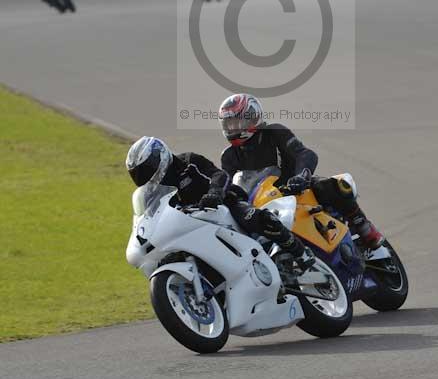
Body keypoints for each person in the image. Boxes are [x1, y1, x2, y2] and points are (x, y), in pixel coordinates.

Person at [201, 93, 385, 250]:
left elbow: (304, 153)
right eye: (228, 124)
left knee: (335, 185)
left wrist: (302, 176)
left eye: (236, 122)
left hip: (296, 189)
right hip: (264, 205)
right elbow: (232, 185)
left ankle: (364, 227)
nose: (232, 128)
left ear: (252, 117)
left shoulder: (274, 132)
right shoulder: (228, 156)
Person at [125, 136, 314, 276]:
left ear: (160, 157)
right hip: (191, 223)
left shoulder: (187, 162)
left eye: (146, 169)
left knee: (254, 218)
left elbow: (219, 175)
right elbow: (151, 215)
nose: (144, 177)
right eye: (138, 174)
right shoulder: (153, 193)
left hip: (223, 204)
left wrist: (214, 193)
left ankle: (299, 252)